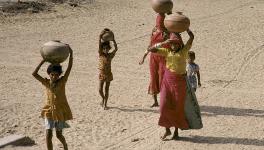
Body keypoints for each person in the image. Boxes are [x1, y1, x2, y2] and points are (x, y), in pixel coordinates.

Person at [148, 29, 202, 140]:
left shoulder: (184, 51)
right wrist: (164, 43)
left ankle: (176, 131)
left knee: (177, 107)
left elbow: (191, 37)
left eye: (175, 43)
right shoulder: (166, 51)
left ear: (179, 44)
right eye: (172, 43)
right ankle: (167, 130)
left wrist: (186, 29)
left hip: (179, 83)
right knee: (163, 106)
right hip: (167, 81)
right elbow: (150, 49)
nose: (173, 45)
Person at [32, 46, 73, 150]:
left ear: (59, 75)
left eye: (56, 75)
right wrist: (43, 61)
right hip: (49, 111)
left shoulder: (62, 82)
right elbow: (34, 74)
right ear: (49, 74)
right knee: (48, 135)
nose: (54, 76)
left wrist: (71, 55)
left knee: (59, 135)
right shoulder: (46, 82)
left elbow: (69, 69)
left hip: (60, 111)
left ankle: (65, 145)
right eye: (52, 74)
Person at [139, 13, 176, 107]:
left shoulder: (169, 32)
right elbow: (150, 45)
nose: (159, 25)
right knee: (153, 77)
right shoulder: (154, 31)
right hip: (154, 58)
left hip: (165, 57)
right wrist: (143, 57)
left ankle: (166, 101)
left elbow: (174, 45)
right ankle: (155, 101)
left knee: (164, 78)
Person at [98, 28, 118, 110]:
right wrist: (99, 37)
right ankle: (103, 98)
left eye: (107, 49)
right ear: (102, 49)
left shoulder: (110, 55)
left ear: (109, 49)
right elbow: (99, 45)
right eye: (104, 49)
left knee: (106, 89)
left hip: (108, 74)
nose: (106, 50)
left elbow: (116, 49)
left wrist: (113, 40)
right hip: (102, 74)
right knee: (100, 89)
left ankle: (105, 104)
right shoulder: (100, 54)